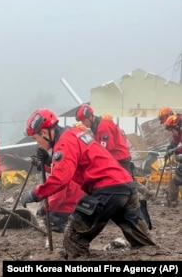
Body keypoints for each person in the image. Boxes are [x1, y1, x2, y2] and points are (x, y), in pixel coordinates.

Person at [21, 108, 156, 259]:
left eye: (35, 138)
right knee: (143, 243)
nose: (37, 143)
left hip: (107, 190)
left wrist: (35, 193)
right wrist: (48, 161)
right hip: (125, 186)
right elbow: (73, 166)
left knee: (73, 238)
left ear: (44, 133)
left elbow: (61, 178)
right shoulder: (74, 134)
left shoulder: (65, 143)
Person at [75, 103, 153, 199]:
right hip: (119, 155)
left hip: (119, 157)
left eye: (84, 121)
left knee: (123, 180)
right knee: (127, 178)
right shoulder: (98, 126)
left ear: (90, 117)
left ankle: (134, 196)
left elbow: (107, 148)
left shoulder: (103, 127)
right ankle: (144, 192)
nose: (83, 124)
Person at [34, 148, 84, 233]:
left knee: (48, 219)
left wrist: (44, 209)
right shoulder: (71, 169)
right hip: (77, 207)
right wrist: (43, 167)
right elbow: (58, 169)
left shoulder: (60, 179)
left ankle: (61, 227)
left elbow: (57, 198)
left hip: (65, 210)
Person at [163, 115, 182, 207]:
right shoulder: (179, 131)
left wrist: (174, 150)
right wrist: (170, 148)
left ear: (176, 126)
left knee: (176, 180)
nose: (172, 133)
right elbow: (175, 139)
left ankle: (173, 201)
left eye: (171, 130)